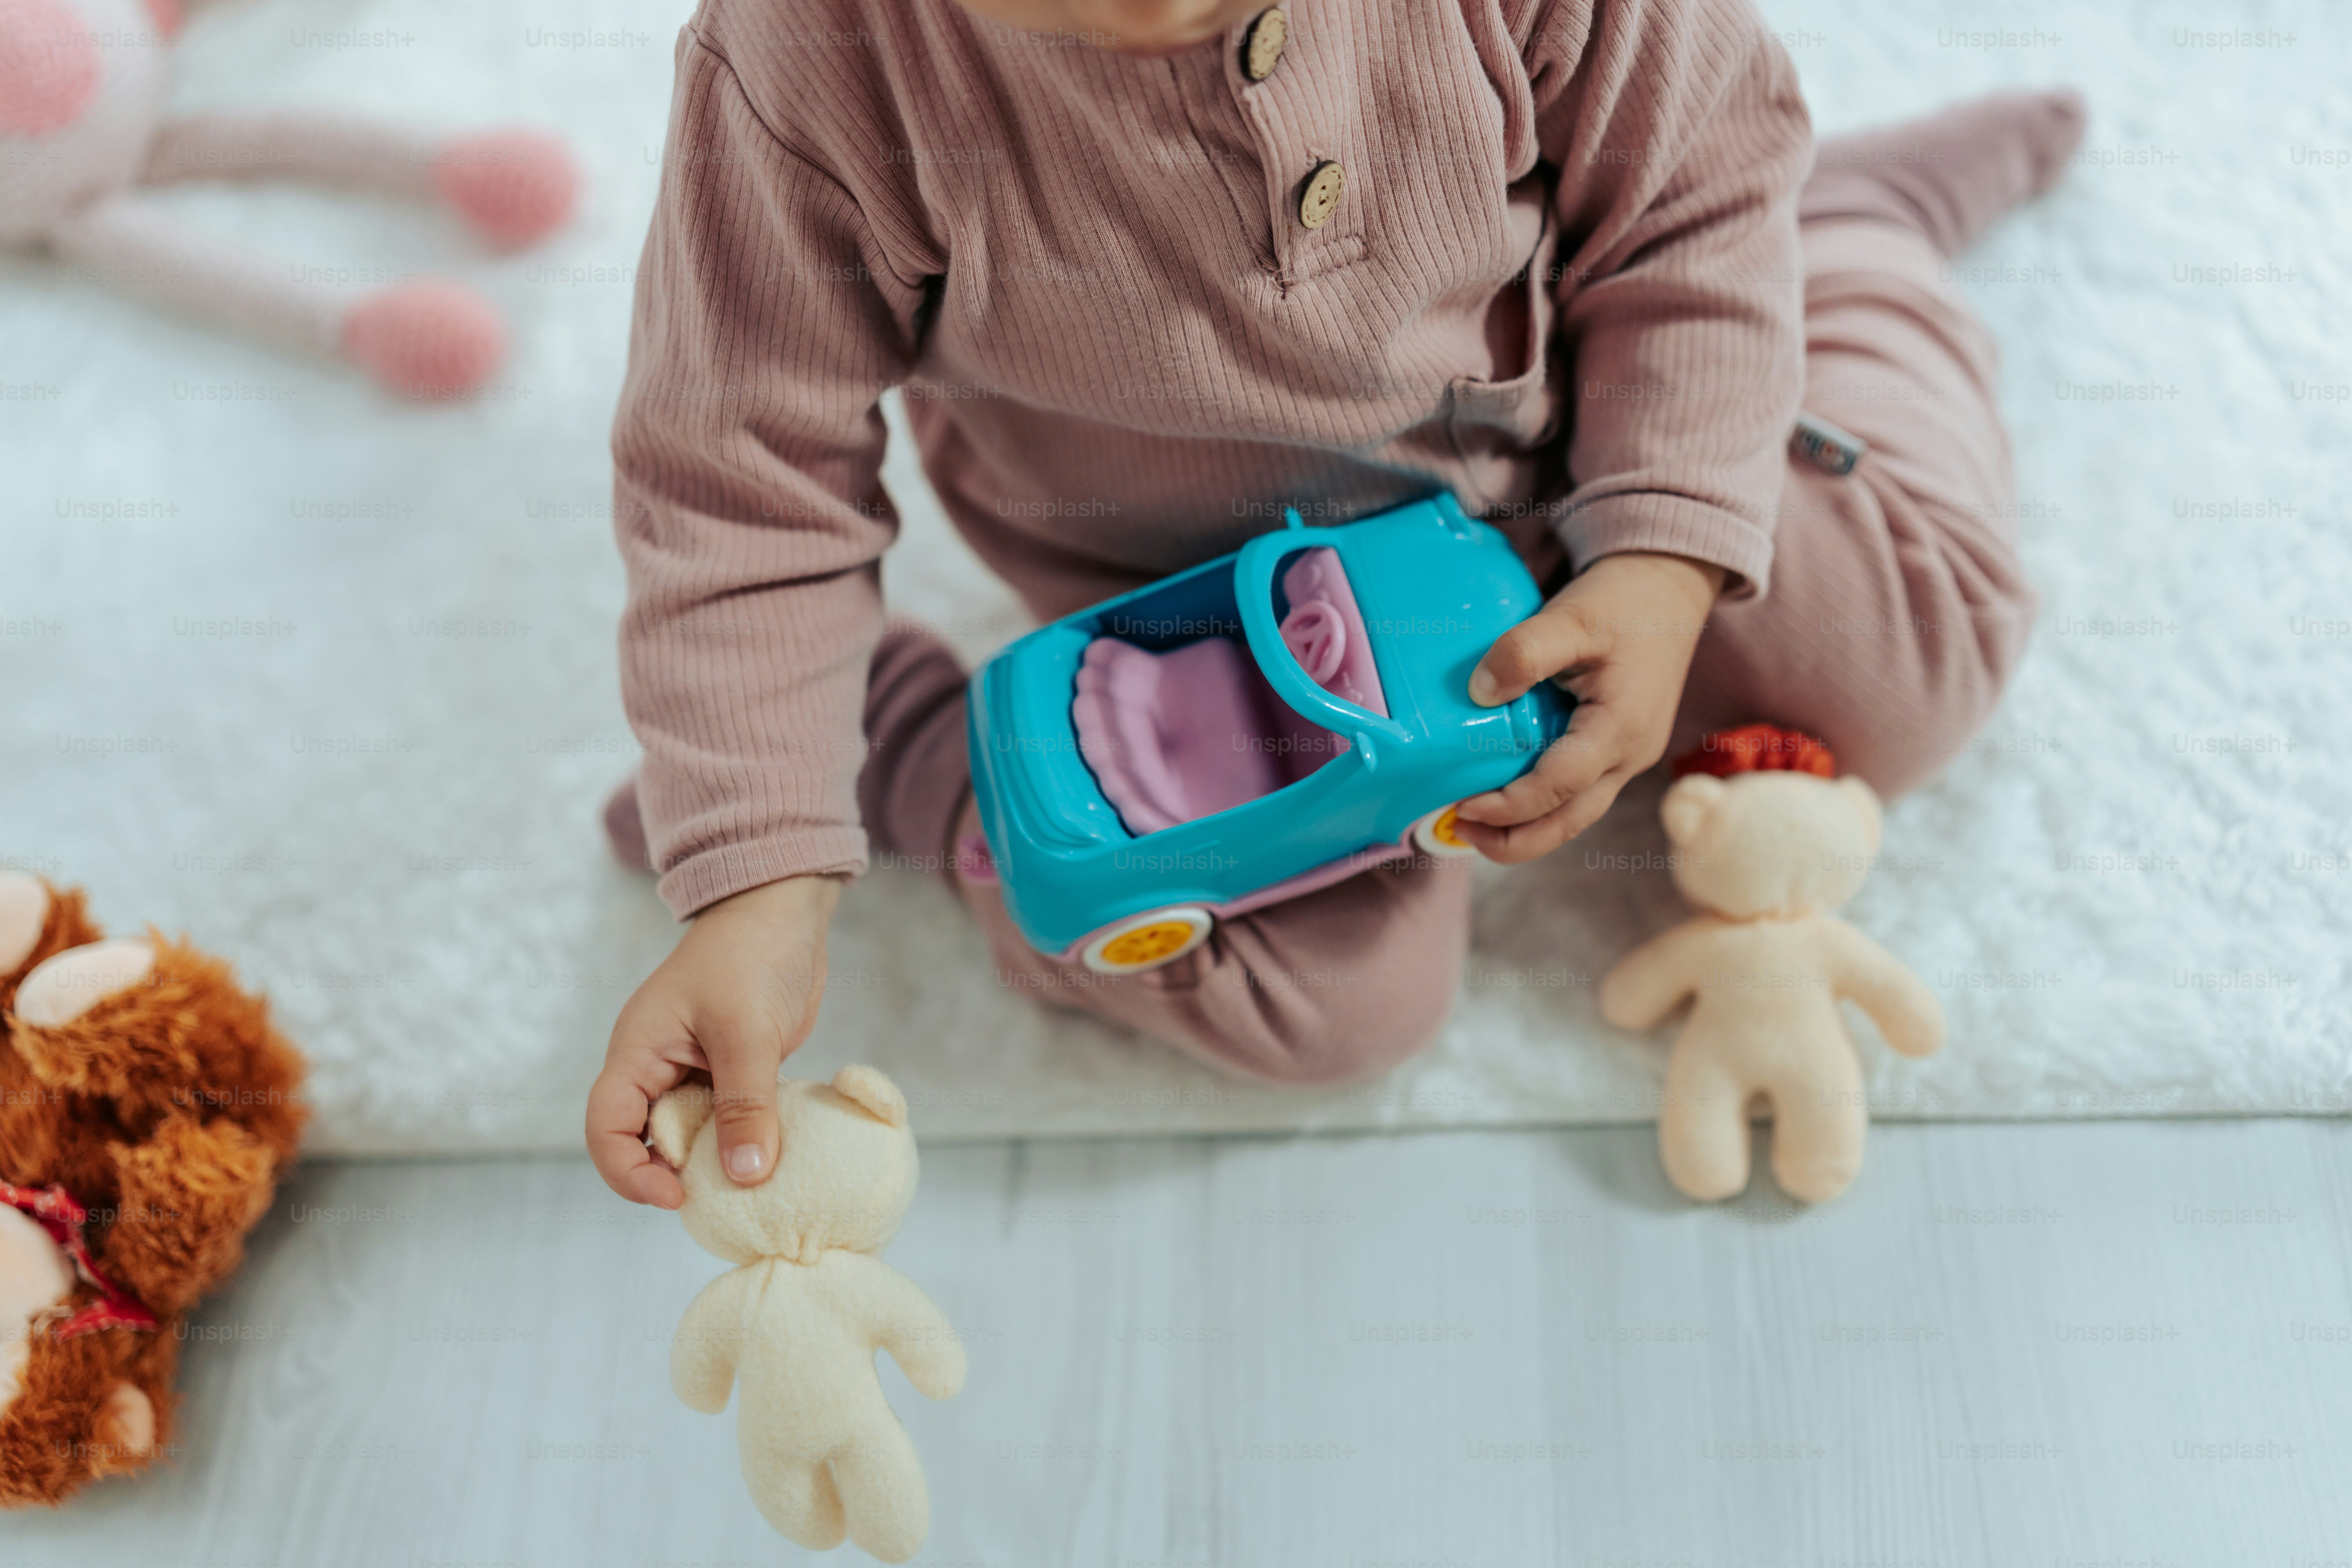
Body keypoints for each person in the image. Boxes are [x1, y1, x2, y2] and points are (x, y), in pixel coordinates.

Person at [584, 0, 2084, 1207]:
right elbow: (738, 480)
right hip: (1171, 606)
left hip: (1573, 451)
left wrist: (1670, 543)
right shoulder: (805, 63)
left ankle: (1859, 237)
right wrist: (759, 855)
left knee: (1907, 668)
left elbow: (1688, 201)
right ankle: (909, 750)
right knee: (1327, 1008)